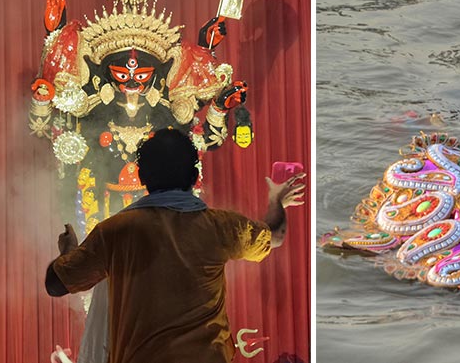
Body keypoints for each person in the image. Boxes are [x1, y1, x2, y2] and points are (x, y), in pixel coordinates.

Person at [44, 128, 306, 363]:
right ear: (194, 176)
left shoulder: (114, 231)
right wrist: (276, 200)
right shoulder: (220, 227)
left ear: (142, 176)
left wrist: (68, 251)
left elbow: (56, 284)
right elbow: (275, 234)